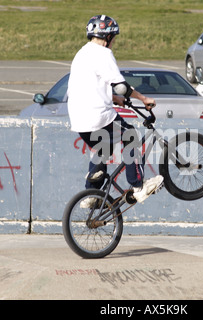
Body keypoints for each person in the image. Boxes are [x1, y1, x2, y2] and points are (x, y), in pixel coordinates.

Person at [67, 14, 163, 208]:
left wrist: (114, 99)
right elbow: (121, 86)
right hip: (98, 116)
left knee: (103, 147)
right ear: (108, 37)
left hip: (79, 120)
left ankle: (91, 193)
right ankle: (138, 186)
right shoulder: (103, 54)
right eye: (114, 38)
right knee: (130, 136)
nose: (114, 43)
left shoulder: (82, 53)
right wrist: (144, 99)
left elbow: (88, 87)